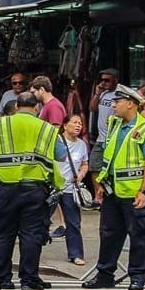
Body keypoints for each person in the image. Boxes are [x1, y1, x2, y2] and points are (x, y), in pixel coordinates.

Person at [84, 84, 145, 290]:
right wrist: (102, 182)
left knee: (138, 235)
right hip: (114, 190)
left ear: (130, 104)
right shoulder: (114, 125)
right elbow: (109, 157)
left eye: (117, 102)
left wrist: (143, 191)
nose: (113, 106)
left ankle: (137, 276)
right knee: (109, 233)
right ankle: (105, 274)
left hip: (136, 193)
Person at [0, 92, 67, 290]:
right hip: (35, 189)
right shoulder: (46, 129)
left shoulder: (2, 125)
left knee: (3, 235)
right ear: (37, 108)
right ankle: (28, 281)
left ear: (17, 106)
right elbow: (62, 155)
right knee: (31, 236)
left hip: (5, 187)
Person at [53, 113, 89, 265]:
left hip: (70, 188)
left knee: (73, 222)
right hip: (53, 187)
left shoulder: (81, 144)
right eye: (74, 122)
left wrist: (81, 174)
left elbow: (85, 163)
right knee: (40, 220)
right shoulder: (56, 141)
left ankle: (75, 254)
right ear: (65, 125)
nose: (78, 126)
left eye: (80, 123)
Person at [89, 68, 120, 180]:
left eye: (107, 80)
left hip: (113, 138)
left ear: (115, 80)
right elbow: (92, 108)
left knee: (111, 168)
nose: (103, 83)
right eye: (102, 80)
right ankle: (98, 193)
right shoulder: (103, 93)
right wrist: (97, 94)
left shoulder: (120, 94)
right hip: (101, 137)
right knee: (94, 166)